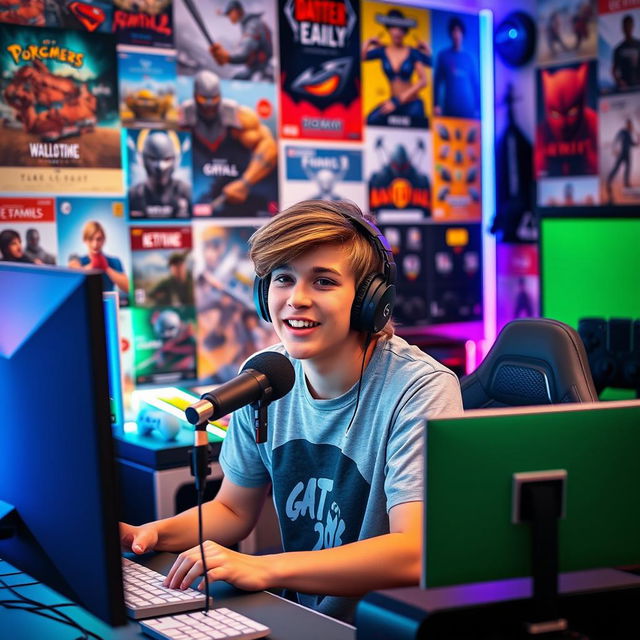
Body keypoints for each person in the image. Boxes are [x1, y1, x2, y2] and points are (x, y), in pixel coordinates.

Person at [120, 199, 463, 623]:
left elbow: (414, 550)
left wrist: (264, 568)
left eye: (323, 281)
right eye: (283, 279)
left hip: (383, 628)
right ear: (264, 294)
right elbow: (232, 510)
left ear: (371, 301)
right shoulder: (265, 377)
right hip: (306, 619)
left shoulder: (419, 389)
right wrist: (152, 534)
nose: (296, 299)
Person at [180, 69, 277, 216]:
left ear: (220, 96)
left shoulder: (240, 117)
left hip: (242, 194)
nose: (209, 104)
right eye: (203, 99)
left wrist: (245, 183)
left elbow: (269, 147)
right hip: (202, 193)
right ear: (195, 96)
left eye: (214, 98)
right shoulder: (182, 118)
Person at [362, 8, 431, 127]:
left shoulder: (412, 52)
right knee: (370, 120)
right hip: (393, 103)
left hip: (411, 103)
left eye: (400, 29)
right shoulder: (382, 51)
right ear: (388, 29)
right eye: (393, 27)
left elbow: (424, 80)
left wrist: (427, 49)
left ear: (405, 31)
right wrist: (368, 42)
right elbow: (360, 57)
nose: (397, 32)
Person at [128, 130, 191, 219]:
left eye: (167, 159)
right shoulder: (132, 195)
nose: (160, 167)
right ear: (142, 159)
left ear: (176, 160)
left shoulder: (187, 193)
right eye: (153, 159)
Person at [209, 0, 274, 81]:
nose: (229, 17)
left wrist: (227, 57)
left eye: (230, 13)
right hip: (259, 66)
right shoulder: (252, 22)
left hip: (261, 69)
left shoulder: (252, 25)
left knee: (235, 81)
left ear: (236, 11)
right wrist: (221, 13)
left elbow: (244, 52)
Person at [433, 16, 480, 119]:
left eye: (459, 31)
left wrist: (478, 107)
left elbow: (476, 84)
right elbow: (437, 82)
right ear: (450, 34)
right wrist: (436, 105)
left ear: (463, 34)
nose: (456, 35)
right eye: (454, 31)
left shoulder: (469, 58)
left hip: (467, 108)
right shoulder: (443, 55)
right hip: (450, 107)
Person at [68, 220, 129, 295]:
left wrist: (106, 268)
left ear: (104, 240)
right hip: (87, 304)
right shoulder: (77, 260)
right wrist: (92, 266)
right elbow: (74, 277)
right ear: (85, 240)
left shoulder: (114, 261)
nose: (95, 244)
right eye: (91, 239)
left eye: (98, 239)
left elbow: (127, 287)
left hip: (108, 304)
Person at [606, 118, 638, 202]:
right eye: (629, 124)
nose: (630, 126)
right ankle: (609, 179)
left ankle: (626, 183)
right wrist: (614, 149)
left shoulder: (629, 133)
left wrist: (637, 142)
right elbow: (616, 140)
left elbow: (632, 144)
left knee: (628, 168)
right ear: (626, 124)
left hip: (627, 153)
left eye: (630, 124)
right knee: (616, 167)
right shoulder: (622, 131)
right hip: (621, 153)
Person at [612, 14, 640, 91]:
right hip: (625, 88)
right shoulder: (618, 49)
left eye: (629, 26)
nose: (628, 29)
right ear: (623, 28)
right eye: (626, 26)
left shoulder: (638, 45)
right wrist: (619, 82)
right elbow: (614, 70)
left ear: (632, 26)